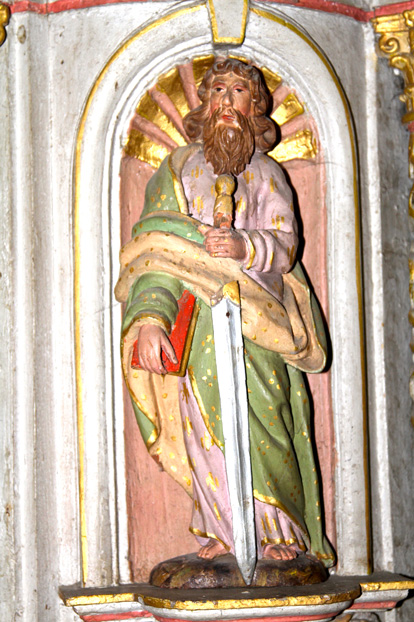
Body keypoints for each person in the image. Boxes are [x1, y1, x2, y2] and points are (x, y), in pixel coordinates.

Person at [115, 58, 334, 567]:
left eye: (239, 93)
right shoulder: (176, 170)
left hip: (260, 321)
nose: (227, 102)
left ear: (254, 108)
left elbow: (285, 245)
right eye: (218, 92)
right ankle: (224, 527)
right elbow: (156, 250)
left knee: (267, 419)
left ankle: (280, 529)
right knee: (203, 422)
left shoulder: (267, 171)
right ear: (205, 105)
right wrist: (149, 319)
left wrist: (243, 247)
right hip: (198, 325)